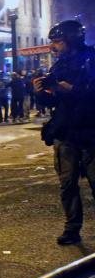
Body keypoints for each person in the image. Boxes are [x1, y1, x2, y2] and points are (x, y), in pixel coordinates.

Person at [33, 19, 95, 245]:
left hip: (90, 131)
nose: (55, 47)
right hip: (66, 132)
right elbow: (54, 100)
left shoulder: (92, 59)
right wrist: (41, 92)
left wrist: (75, 89)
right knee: (67, 183)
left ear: (71, 39)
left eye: (58, 42)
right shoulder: (59, 66)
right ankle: (72, 228)